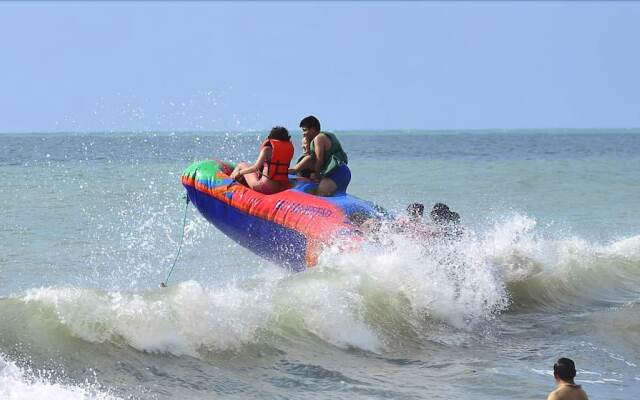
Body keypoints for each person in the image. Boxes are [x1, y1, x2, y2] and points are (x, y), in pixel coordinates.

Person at [229, 126, 294, 195]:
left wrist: (239, 173)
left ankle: (228, 182)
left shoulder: (267, 149)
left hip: (264, 187)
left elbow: (255, 168)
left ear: (271, 137)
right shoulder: (288, 151)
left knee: (241, 164)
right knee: (253, 172)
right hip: (278, 188)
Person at [298, 115, 350, 196]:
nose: (303, 133)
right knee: (337, 197)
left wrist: (317, 175)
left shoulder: (319, 138)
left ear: (313, 129)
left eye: (305, 130)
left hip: (337, 173)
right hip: (343, 172)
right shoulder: (323, 136)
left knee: (320, 195)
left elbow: (319, 159)